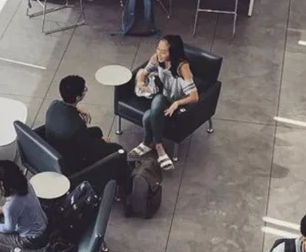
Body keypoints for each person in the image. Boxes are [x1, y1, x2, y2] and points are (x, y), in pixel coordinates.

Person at [128, 34, 201, 171]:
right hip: (164, 98)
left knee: (149, 114)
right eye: (158, 49)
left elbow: (194, 96)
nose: (159, 54)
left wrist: (177, 103)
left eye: (163, 51)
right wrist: (141, 82)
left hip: (180, 103)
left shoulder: (182, 68)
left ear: (173, 52)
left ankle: (148, 143)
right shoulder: (156, 58)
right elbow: (144, 72)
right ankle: (158, 146)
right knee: (155, 104)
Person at [44, 74, 130, 189]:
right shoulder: (77, 126)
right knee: (119, 150)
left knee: (97, 131)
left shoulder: (54, 105)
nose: (85, 91)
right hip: (75, 163)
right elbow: (90, 149)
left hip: (59, 146)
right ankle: (125, 184)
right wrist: (103, 142)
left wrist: (76, 109)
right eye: (84, 90)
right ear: (78, 98)